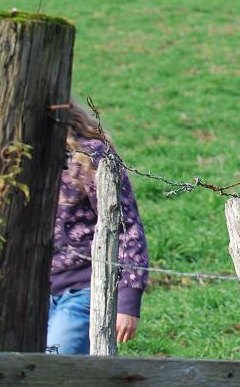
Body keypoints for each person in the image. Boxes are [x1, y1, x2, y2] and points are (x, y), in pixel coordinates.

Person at [47, 103, 149, 354]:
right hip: (30, 290)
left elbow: (126, 225)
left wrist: (127, 300)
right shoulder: (18, 159)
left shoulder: (89, 157)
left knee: (55, 368)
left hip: (83, 289)